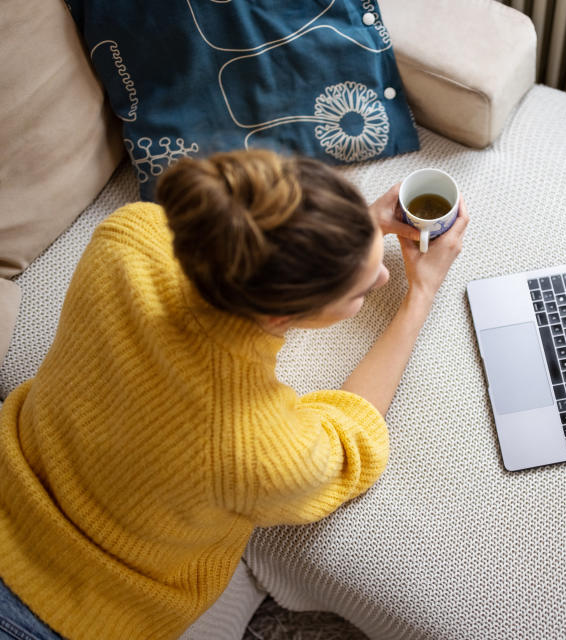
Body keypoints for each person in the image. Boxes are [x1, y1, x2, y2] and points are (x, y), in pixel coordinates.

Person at [0, 149, 469, 639]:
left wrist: (347, 234)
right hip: (57, 615)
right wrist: (421, 295)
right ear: (278, 318)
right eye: (360, 291)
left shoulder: (130, 236)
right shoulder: (257, 448)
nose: (383, 278)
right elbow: (351, 442)